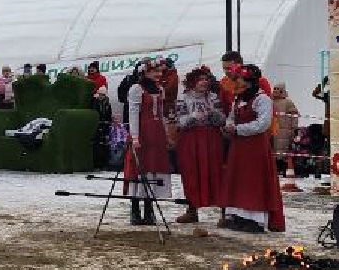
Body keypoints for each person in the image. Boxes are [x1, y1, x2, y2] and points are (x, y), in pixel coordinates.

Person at [218, 63, 286, 234]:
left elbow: (263, 124)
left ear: (248, 81)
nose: (236, 82)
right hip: (239, 146)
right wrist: (229, 126)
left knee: (253, 181)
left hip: (255, 147)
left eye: (239, 79)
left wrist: (239, 129)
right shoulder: (239, 98)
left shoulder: (262, 99)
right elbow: (231, 117)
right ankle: (238, 215)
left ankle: (254, 219)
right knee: (239, 179)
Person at [172, 66, 227, 224]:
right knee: (191, 173)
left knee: (215, 173)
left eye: (206, 79)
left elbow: (222, 119)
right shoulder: (183, 99)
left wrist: (213, 114)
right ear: (192, 82)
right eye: (200, 79)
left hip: (211, 139)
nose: (204, 82)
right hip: (191, 140)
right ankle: (192, 210)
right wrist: (193, 117)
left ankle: (224, 213)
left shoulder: (213, 98)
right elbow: (180, 122)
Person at [122, 59, 172, 225]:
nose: (158, 74)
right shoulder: (137, 89)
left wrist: (166, 134)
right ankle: (135, 210)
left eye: (160, 71)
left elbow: (162, 114)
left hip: (156, 133)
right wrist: (134, 136)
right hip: (143, 133)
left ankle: (149, 209)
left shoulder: (160, 89)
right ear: (145, 72)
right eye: (154, 71)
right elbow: (133, 113)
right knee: (139, 168)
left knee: (153, 168)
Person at [269, 82, 301, 176]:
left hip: (284, 130)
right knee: (273, 149)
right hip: (272, 129)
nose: (275, 91)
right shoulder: (270, 101)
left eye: (277, 89)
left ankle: (282, 169)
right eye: (274, 88)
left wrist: (294, 129)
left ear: (282, 90)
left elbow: (294, 116)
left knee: (282, 151)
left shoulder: (288, 102)